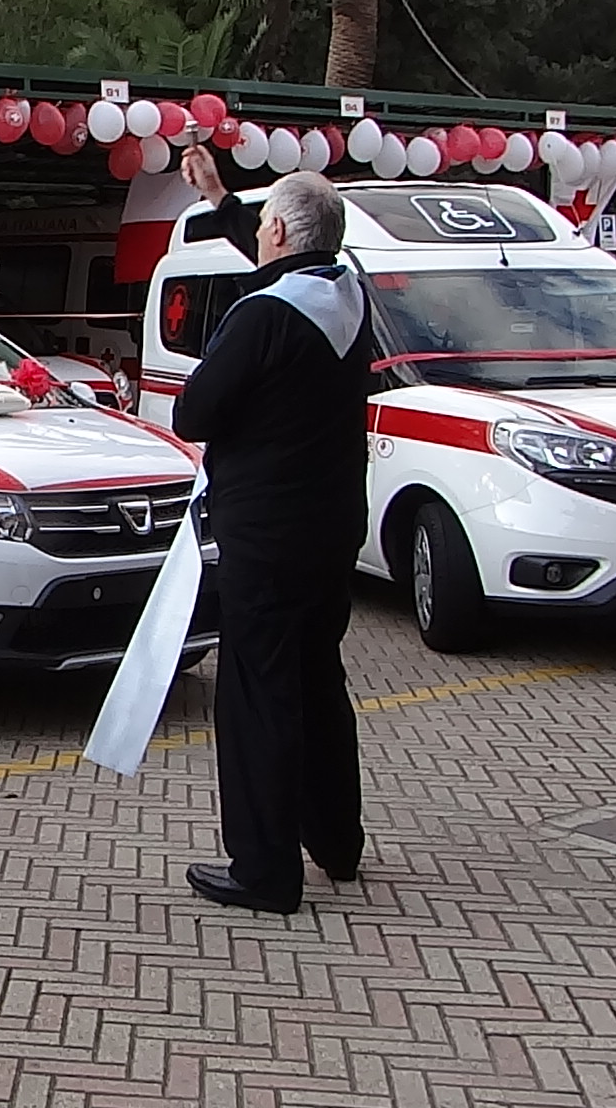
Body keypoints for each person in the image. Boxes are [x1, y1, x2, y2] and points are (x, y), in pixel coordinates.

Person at [172, 143, 372, 915]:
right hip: (331, 530)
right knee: (320, 680)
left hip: (267, 534)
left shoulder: (262, 317)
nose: (255, 234)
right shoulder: (347, 294)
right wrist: (222, 197)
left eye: (259, 226)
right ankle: (336, 840)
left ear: (281, 237)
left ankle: (264, 869)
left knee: (257, 693)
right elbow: (291, 268)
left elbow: (196, 412)